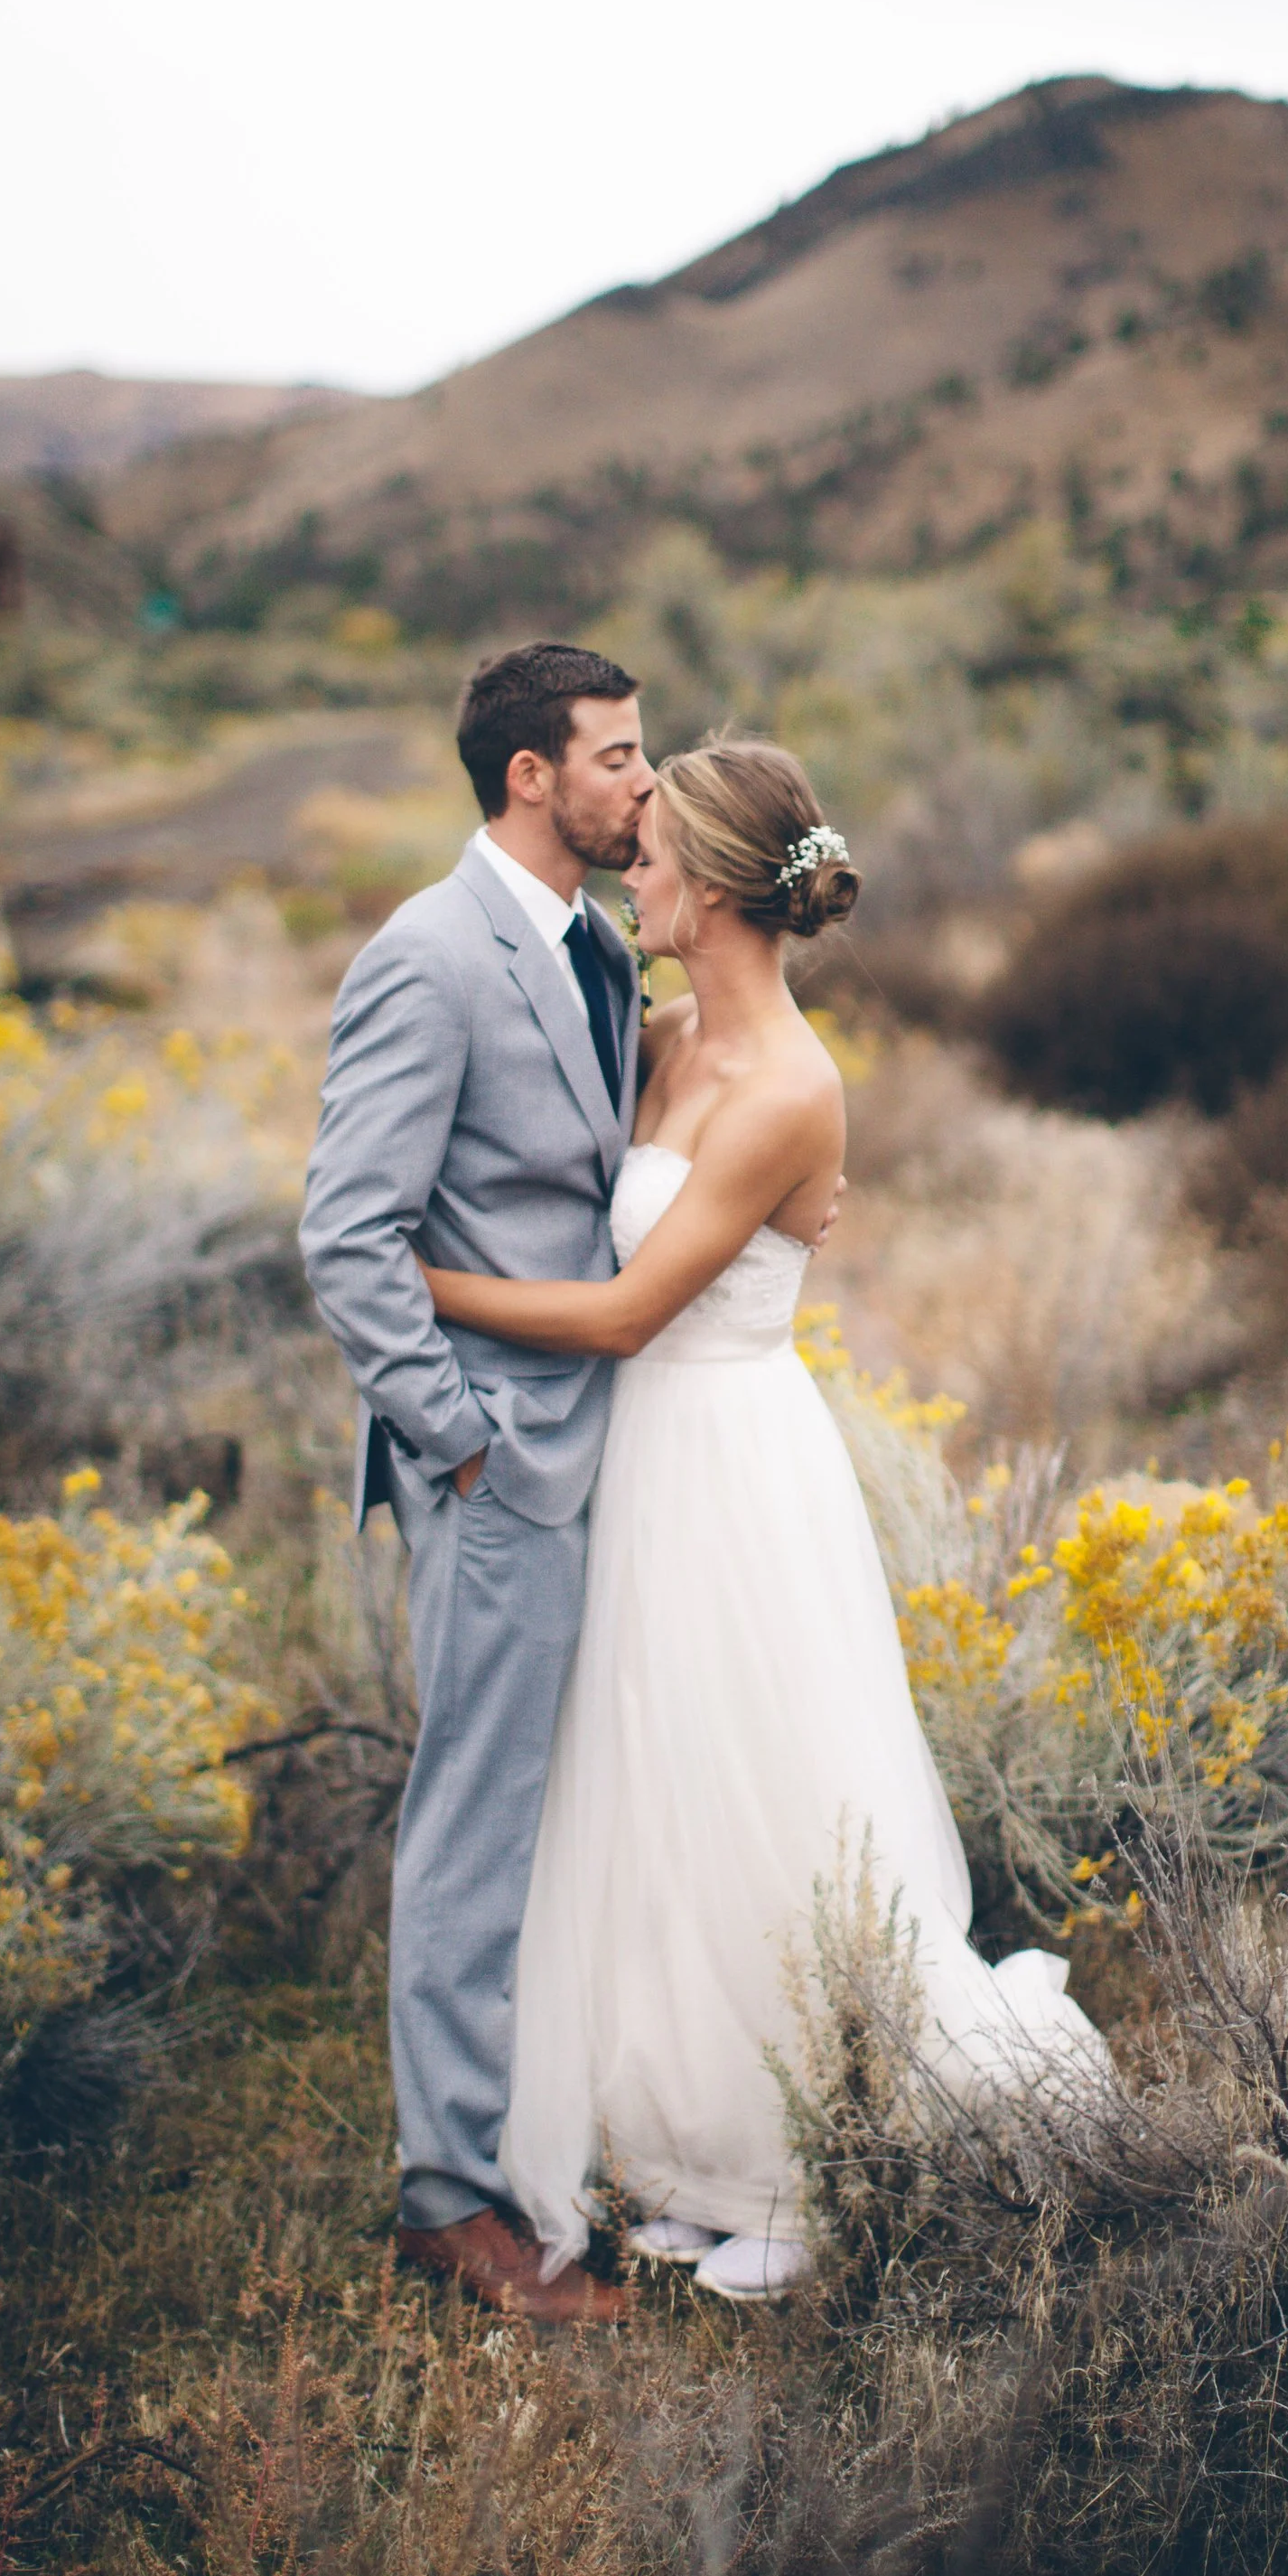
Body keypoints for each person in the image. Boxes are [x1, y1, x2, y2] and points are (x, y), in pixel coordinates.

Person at [418, 738, 1103, 2301]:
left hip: (728, 1456)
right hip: (637, 1465)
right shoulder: (654, 1032)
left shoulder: (796, 1087)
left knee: (766, 1795)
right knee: (658, 1793)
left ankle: (796, 2155)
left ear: (718, 885)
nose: (626, 867)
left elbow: (624, 1313)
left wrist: (413, 1288)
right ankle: (684, 2143)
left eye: (649, 848)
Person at [300, 641, 650, 2328]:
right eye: (621, 757)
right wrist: (459, 1440)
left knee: (565, 1806)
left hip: (600, 1446)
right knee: (476, 1814)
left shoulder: (594, 947)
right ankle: (448, 2199)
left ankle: (552, 2134)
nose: (643, 783)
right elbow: (346, 1234)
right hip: (497, 1462)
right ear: (533, 774)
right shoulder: (429, 962)